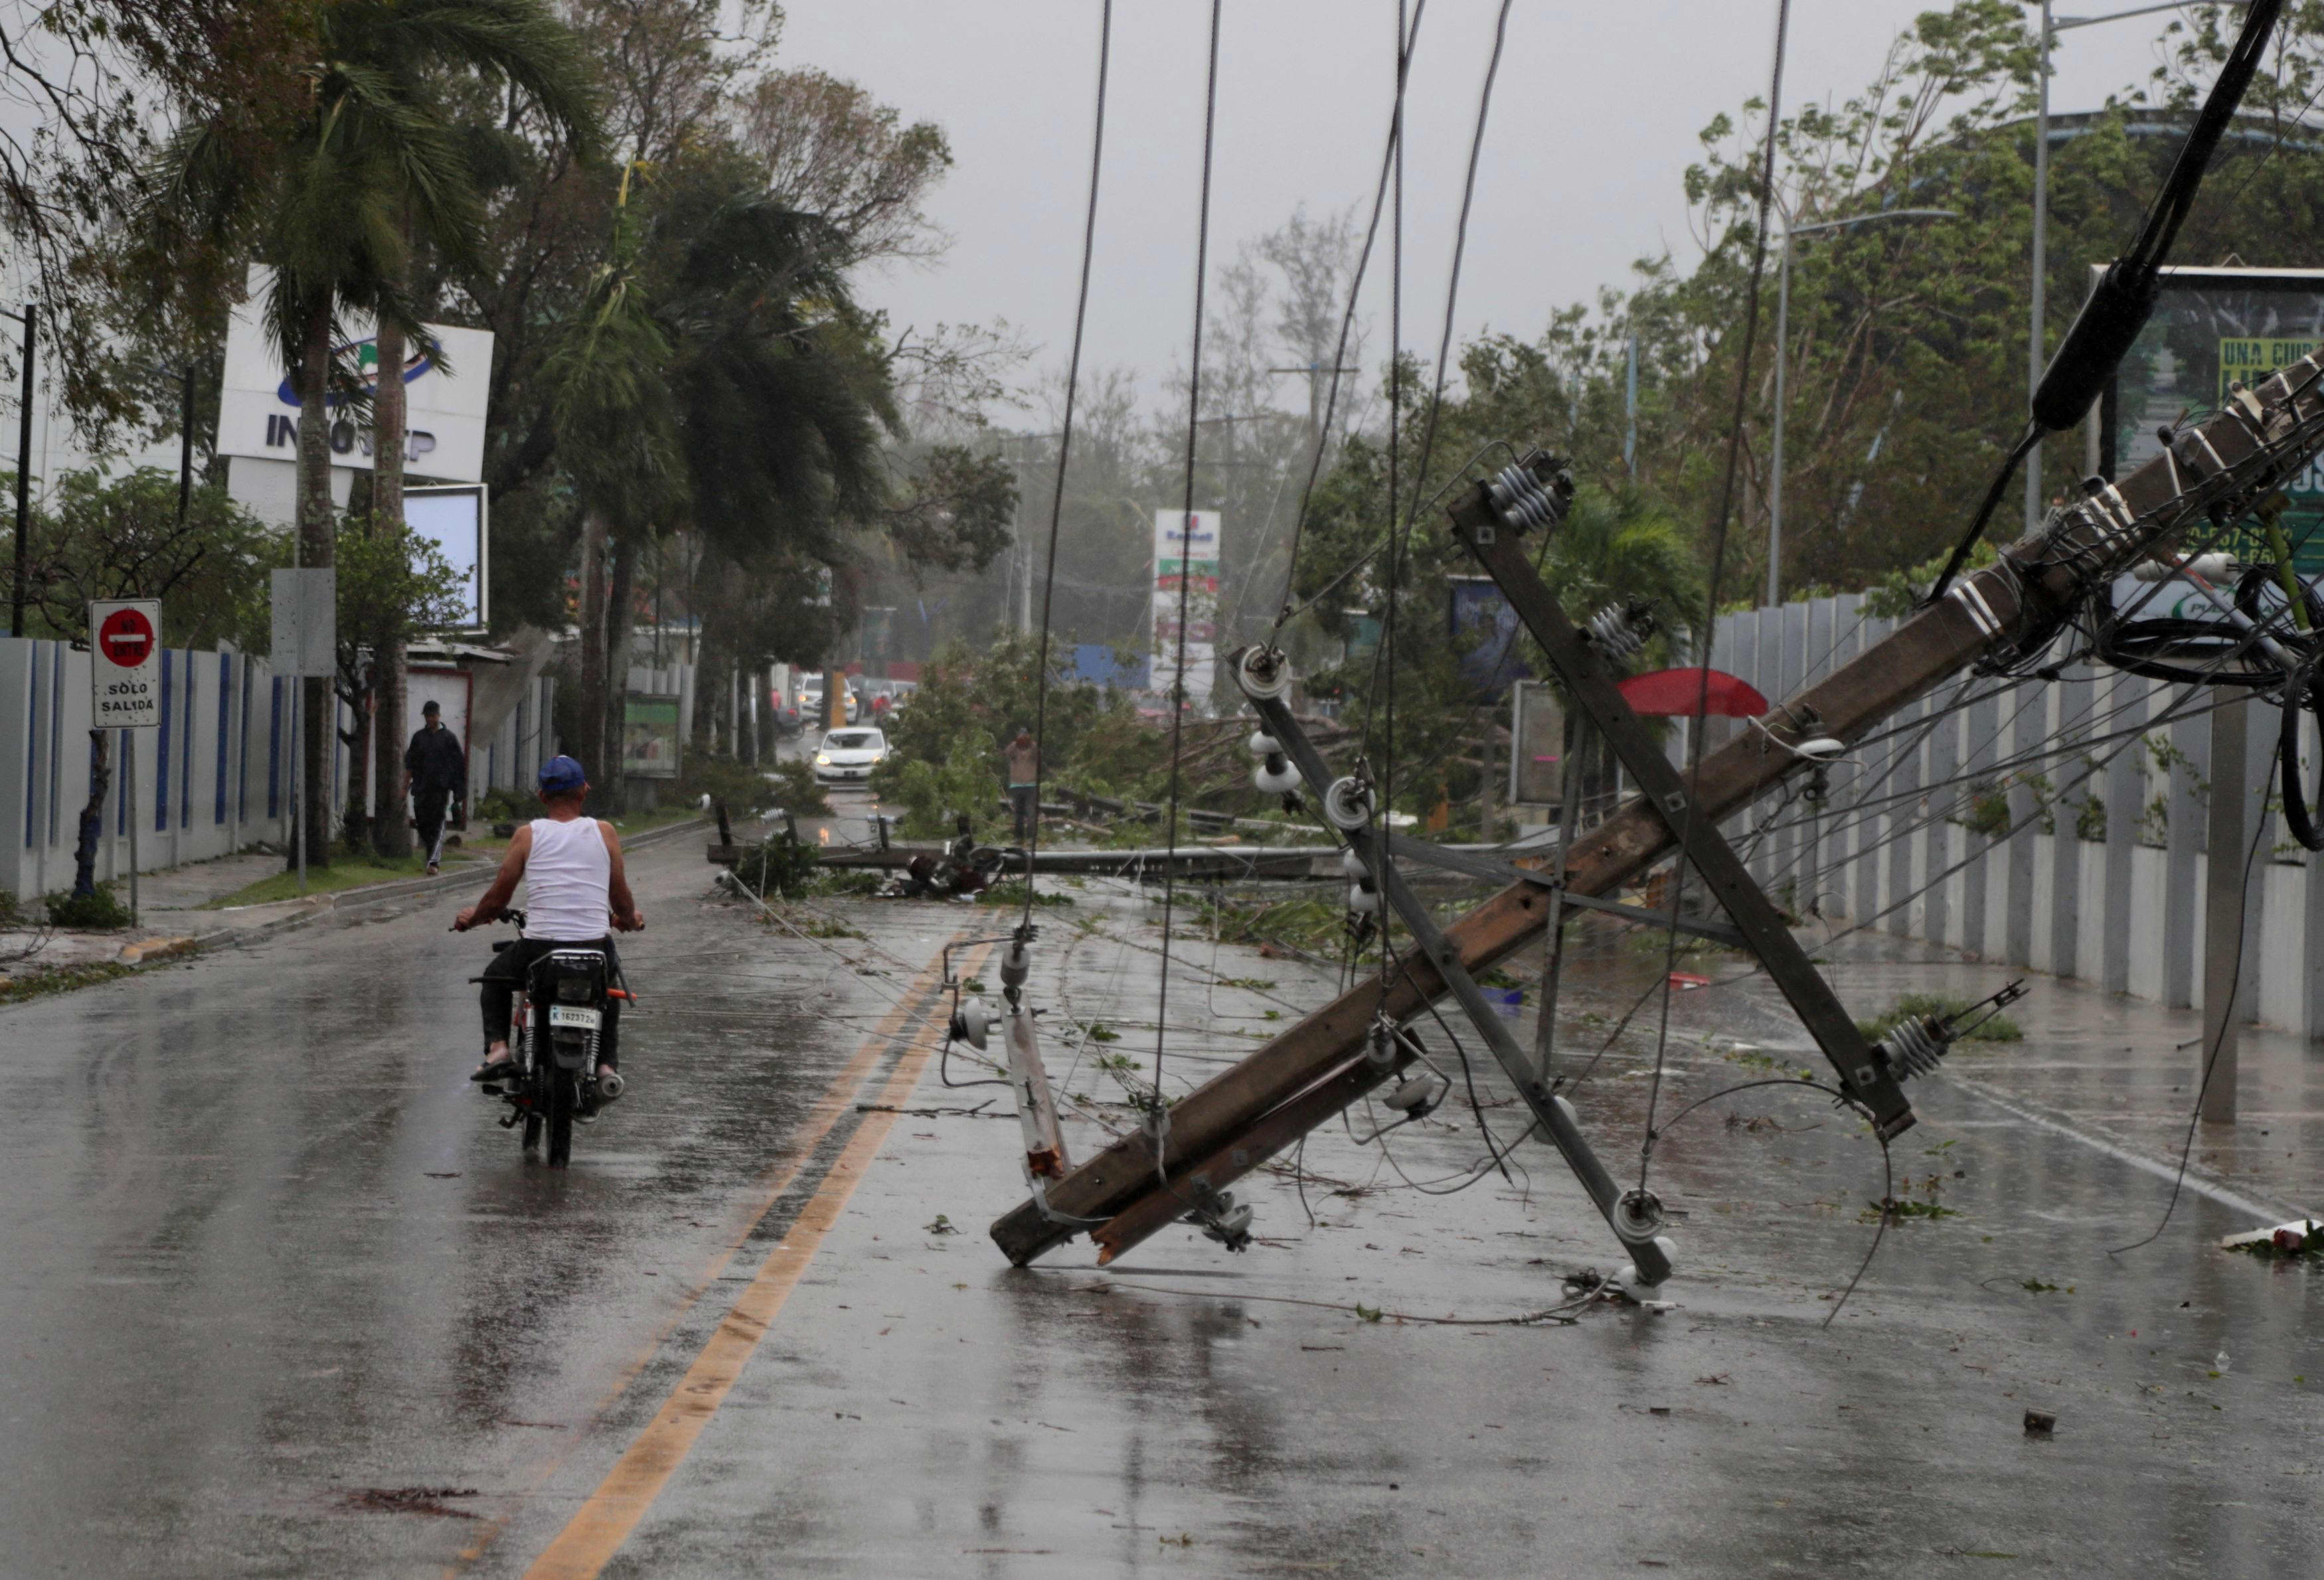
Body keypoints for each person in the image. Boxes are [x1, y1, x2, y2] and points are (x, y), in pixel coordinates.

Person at [454, 755, 645, 1108]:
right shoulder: (605, 832)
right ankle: (605, 1066)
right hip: (594, 948)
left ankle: (498, 1050)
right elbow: (621, 898)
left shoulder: (528, 835)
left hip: (539, 951)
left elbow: (498, 899)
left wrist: (473, 918)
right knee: (610, 989)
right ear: (584, 792)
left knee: (494, 980)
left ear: (542, 797)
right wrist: (630, 919)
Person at [401, 699, 467, 876]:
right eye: (427, 716)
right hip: (421, 787)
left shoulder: (449, 738)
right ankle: (431, 852)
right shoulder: (419, 738)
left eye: (432, 716)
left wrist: (459, 791)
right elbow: (410, 764)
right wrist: (405, 786)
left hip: (440, 788)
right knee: (423, 822)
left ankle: (433, 861)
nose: (429, 719)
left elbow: (458, 766)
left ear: (438, 716)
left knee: (438, 823)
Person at [1003, 726, 1040, 842]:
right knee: (1018, 813)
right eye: (1021, 736)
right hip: (1016, 785)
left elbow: (1037, 752)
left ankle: (1031, 838)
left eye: (1024, 736)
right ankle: (1019, 837)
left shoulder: (1033, 750)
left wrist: (1030, 742)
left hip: (1031, 785)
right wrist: (1016, 743)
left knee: (1031, 812)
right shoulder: (1014, 750)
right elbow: (1007, 753)